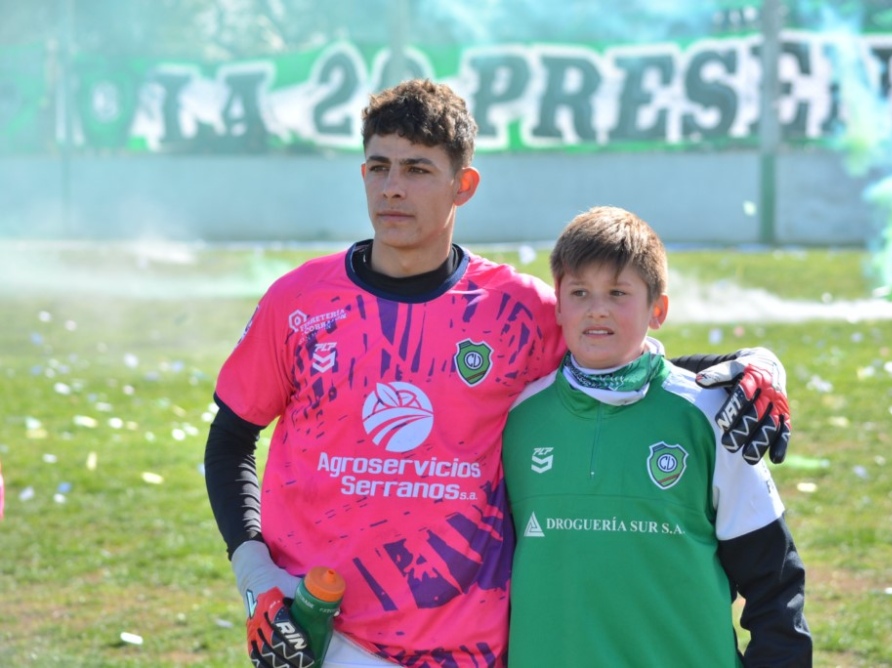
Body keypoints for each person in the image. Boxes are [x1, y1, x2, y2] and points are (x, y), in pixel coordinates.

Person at [204, 79, 794, 668]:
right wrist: (257, 575)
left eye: (417, 170)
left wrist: (753, 367)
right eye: (378, 167)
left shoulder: (517, 311)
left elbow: (620, 362)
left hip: (470, 647)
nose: (392, 188)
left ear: (464, 185)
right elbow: (231, 437)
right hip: (321, 634)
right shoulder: (299, 302)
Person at [502, 206, 811, 667]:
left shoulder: (712, 413)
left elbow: (774, 580)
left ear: (658, 309)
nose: (597, 308)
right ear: (559, 305)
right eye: (580, 292)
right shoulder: (517, 417)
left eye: (618, 292)